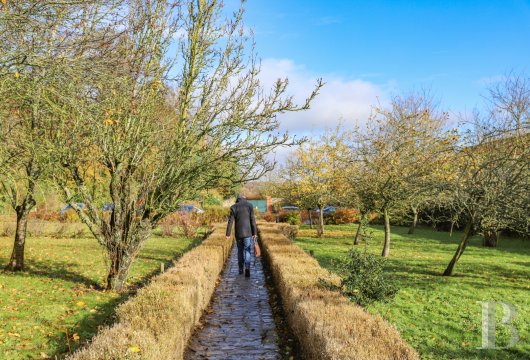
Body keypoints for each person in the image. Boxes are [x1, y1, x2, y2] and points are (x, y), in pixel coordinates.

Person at [226, 194, 257, 277]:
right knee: (247, 250)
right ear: (244, 198)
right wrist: (255, 233)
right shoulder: (249, 206)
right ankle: (247, 267)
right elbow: (252, 220)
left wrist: (228, 234)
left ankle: (240, 269)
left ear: (238, 199)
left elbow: (230, 222)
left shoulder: (233, 207)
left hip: (238, 233)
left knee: (240, 250)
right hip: (248, 232)